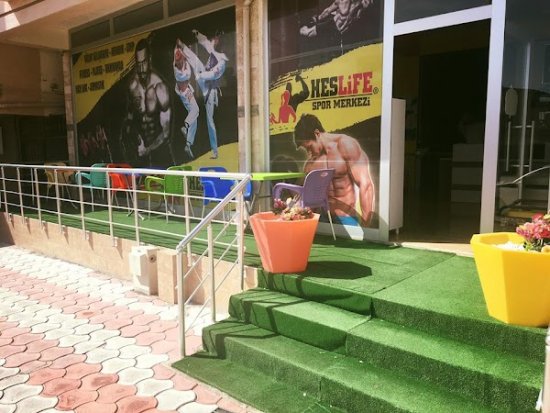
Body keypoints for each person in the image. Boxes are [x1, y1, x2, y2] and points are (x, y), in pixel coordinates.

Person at [293, 113, 374, 225]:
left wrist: (366, 225)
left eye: (309, 147)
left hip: (346, 218)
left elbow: (366, 185)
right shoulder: (311, 163)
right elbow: (303, 193)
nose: (308, 153)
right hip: (322, 218)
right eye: (306, 149)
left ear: (317, 133)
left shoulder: (346, 145)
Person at [121, 38, 173, 166]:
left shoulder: (159, 87)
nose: (141, 68)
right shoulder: (133, 86)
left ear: (149, 60)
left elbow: (166, 132)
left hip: (160, 151)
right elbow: (129, 120)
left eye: (144, 62)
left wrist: (148, 149)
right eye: (138, 64)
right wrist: (130, 143)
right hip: (141, 152)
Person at [181, 29, 228, 159]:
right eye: (215, 38)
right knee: (196, 61)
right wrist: (197, 34)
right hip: (204, 82)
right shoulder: (214, 51)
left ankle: (215, 151)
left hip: (211, 91)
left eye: (216, 38)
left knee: (210, 122)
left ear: (220, 41)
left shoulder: (222, 61)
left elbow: (213, 74)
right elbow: (206, 43)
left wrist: (200, 76)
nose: (214, 40)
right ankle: (183, 47)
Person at [174, 39, 199, 159]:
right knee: (196, 110)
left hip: (186, 90)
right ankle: (185, 126)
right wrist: (182, 47)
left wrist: (183, 46)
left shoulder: (184, 61)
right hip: (185, 93)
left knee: (194, 117)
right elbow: (180, 58)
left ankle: (188, 144)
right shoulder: (179, 67)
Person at [300, 0, 373, 38]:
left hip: (347, 31)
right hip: (333, 25)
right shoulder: (341, 1)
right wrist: (318, 18)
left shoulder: (363, 3)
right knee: (308, 33)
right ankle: (301, 29)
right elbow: (328, 11)